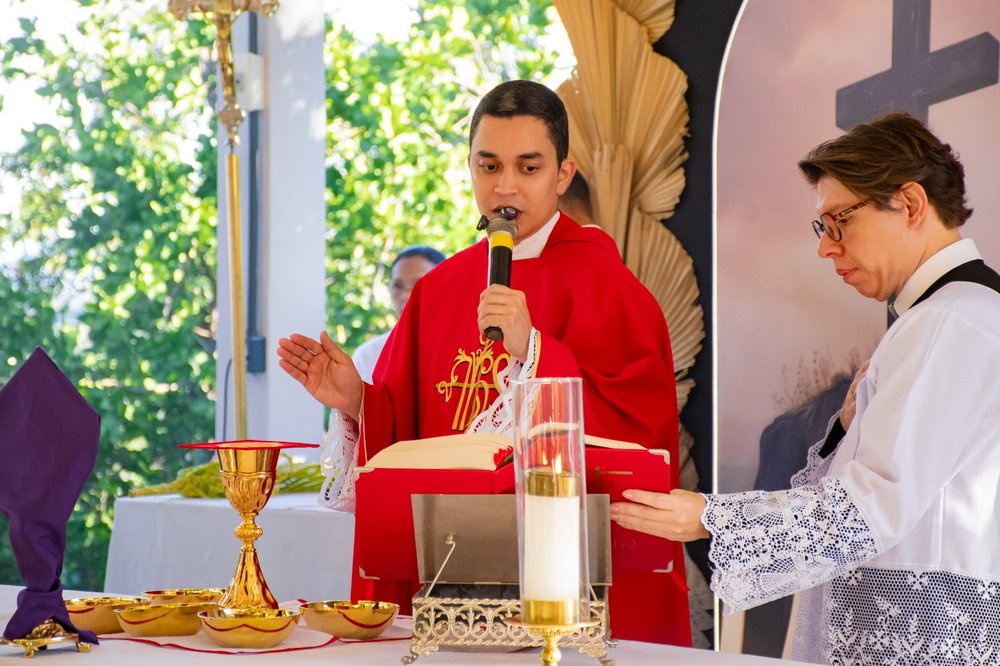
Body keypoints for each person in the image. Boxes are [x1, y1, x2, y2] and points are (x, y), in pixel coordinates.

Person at [277, 80, 683, 638]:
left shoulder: (609, 288)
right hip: (449, 575)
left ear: (563, 175)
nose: (505, 186)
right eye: (489, 166)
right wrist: (357, 402)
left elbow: (640, 430)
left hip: (562, 583)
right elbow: (406, 438)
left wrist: (534, 351)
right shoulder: (438, 290)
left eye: (528, 168)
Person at [609, 112, 1000, 663]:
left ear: (911, 204)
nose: (826, 248)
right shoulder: (960, 314)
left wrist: (709, 518)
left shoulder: (946, 321)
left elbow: (872, 505)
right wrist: (846, 428)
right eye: (823, 228)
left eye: (839, 221)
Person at [351, 245, 445, 383]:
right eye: (398, 286)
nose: (406, 296)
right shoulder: (367, 356)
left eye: (419, 285)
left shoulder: (465, 354)